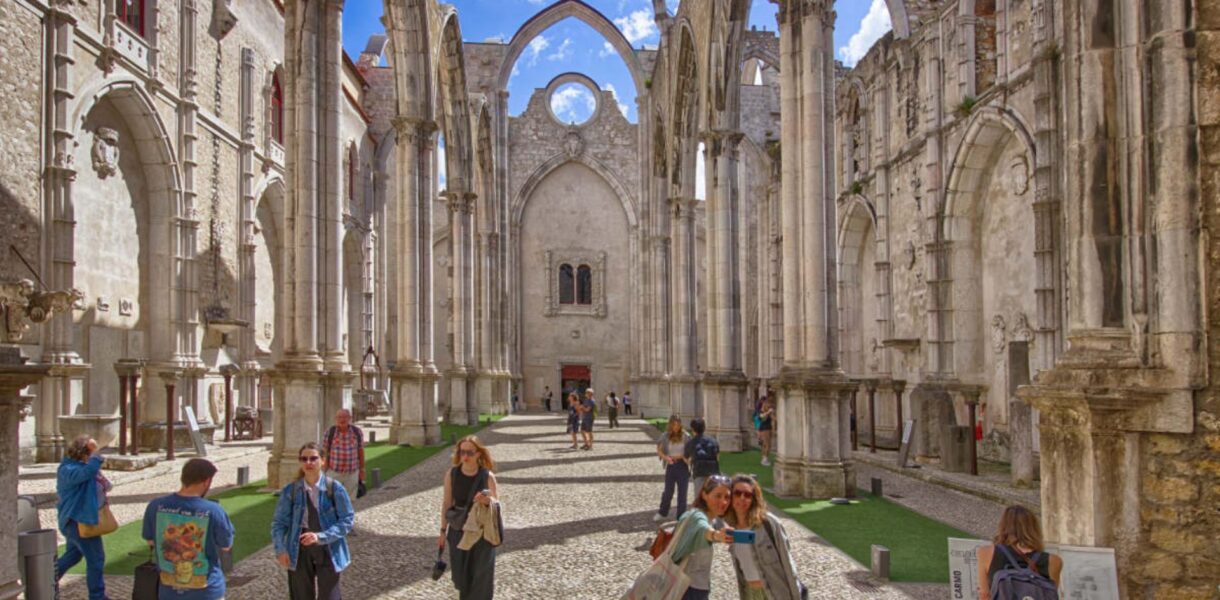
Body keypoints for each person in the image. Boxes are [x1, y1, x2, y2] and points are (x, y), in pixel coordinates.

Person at [142, 458, 235, 600]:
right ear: (207, 481)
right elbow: (226, 545)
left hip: (168, 590)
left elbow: (150, 541)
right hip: (207, 590)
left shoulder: (155, 506)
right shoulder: (214, 510)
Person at [272, 442, 355, 599]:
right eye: (304, 459)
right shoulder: (291, 491)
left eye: (313, 458)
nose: (308, 463)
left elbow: (347, 520)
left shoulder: (335, 488)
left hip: (328, 548)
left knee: (330, 596)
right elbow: (279, 523)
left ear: (322, 460)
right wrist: (280, 549)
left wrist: (320, 537)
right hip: (299, 549)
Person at [438, 436, 499, 600]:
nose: (465, 456)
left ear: (478, 454)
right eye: (462, 452)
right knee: (462, 577)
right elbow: (446, 503)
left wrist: (487, 501)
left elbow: (496, 506)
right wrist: (443, 531)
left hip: (482, 533)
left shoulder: (487, 476)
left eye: (470, 453)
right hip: (459, 531)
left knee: (481, 577)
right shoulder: (452, 474)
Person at [724, 474, 804, 600]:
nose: (742, 498)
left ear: (754, 499)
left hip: (774, 593)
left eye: (748, 495)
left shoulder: (769, 523)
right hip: (749, 593)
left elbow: (787, 563)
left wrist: (796, 596)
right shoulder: (731, 528)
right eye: (737, 493)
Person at [55, 435, 108, 600]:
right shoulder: (68, 469)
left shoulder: (85, 468)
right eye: (90, 452)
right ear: (84, 453)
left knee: (73, 555)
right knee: (96, 559)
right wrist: (95, 455)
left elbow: (107, 484)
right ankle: (97, 596)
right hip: (78, 520)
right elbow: (85, 473)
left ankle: (46, 581)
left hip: (81, 519)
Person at [669, 475, 735, 600]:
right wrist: (717, 536)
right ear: (704, 495)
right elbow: (703, 529)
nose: (724, 502)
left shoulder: (705, 516)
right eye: (718, 496)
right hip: (689, 588)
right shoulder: (697, 517)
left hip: (690, 585)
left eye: (727, 497)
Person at [976, 505, 1063, 600]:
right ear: (1034, 529)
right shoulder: (1054, 561)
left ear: (1003, 526)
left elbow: (984, 595)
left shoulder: (986, 553)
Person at [654, 415, 691, 522]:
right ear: (670, 424)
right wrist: (666, 457)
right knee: (668, 492)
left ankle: (681, 516)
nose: (676, 427)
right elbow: (659, 450)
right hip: (671, 466)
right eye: (674, 424)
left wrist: (684, 458)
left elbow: (689, 451)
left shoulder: (686, 436)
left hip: (682, 466)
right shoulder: (665, 436)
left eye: (678, 425)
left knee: (682, 493)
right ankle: (662, 512)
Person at [323, 409, 365, 497]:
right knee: (332, 498)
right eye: (339, 417)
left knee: (350, 500)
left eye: (345, 417)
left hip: (351, 473)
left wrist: (362, 469)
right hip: (334, 472)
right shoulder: (330, 432)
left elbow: (360, 451)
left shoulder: (357, 432)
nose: (342, 420)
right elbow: (326, 452)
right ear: (336, 419)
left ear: (350, 418)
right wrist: (324, 470)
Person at [685, 418, 720, 496]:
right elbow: (717, 457)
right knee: (713, 495)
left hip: (699, 472)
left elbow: (686, 458)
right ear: (704, 428)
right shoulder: (713, 441)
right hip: (713, 471)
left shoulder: (691, 443)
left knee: (699, 497)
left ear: (692, 429)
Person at [757, 398, 775, 466]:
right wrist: (768, 412)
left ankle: (765, 458)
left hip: (768, 428)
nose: (769, 406)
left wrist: (771, 414)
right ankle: (764, 459)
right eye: (768, 405)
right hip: (764, 429)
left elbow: (774, 420)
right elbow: (762, 418)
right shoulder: (761, 412)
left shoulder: (769, 412)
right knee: (766, 444)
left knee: (768, 445)